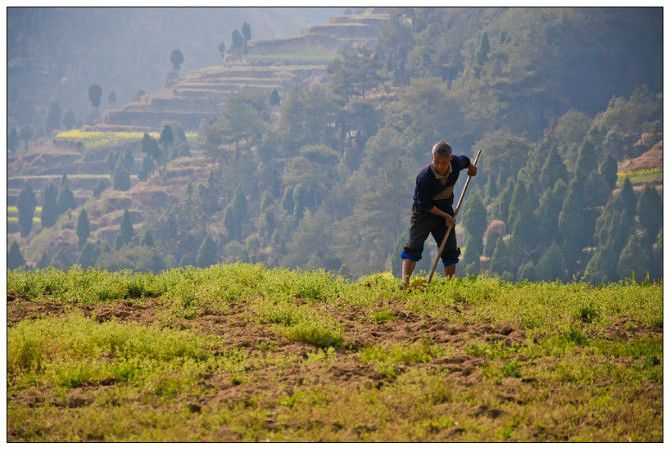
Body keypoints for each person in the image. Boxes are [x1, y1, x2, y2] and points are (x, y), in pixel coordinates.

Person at [401, 141, 477, 286]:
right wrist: (446, 216)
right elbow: (425, 204)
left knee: (449, 248)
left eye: (444, 162)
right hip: (423, 213)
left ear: (450, 158)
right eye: (437, 162)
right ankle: (405, 283)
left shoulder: (456, 163)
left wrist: (472, 168)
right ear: (432, 158)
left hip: (445, 208)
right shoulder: (424, 177)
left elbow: (466, 161)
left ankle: (450, 284)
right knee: (414, 246)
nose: (440, 166)